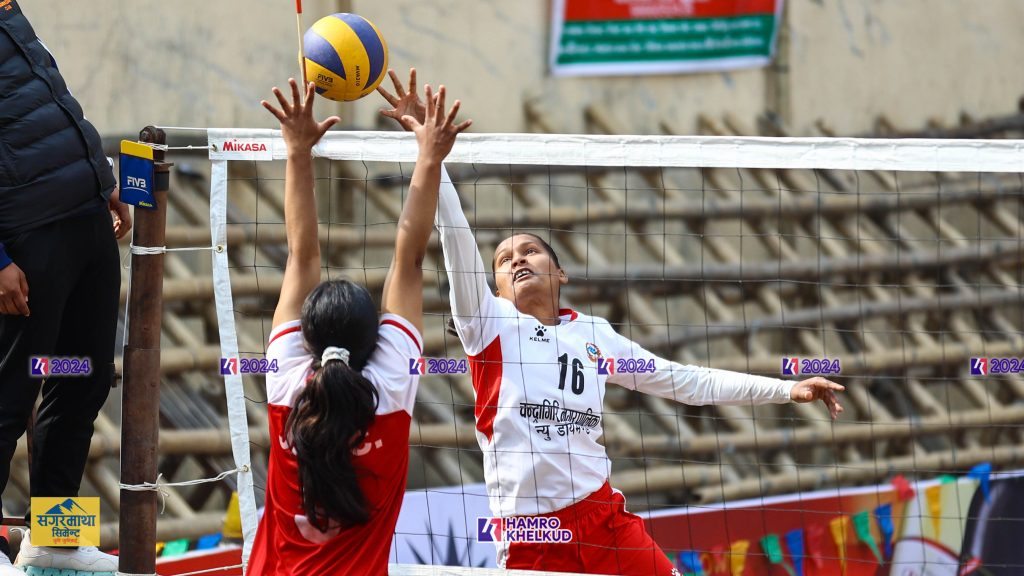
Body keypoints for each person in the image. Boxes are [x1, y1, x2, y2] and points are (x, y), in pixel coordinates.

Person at [378, 69, 845, 575]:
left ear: (560, 272)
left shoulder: (595, 337)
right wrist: (431, 155)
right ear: (494, 287)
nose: (518, 260)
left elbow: (686, 381)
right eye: (504, 260)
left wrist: (785, 389)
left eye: (531, 251)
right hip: (533, 535)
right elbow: (455, 237)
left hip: (604, 520)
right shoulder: (486, 323)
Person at [247, 78, 470, 576]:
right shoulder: (388, 386)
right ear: (376, 338)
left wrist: (297, 150)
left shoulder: (287, 383)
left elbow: (301, 256)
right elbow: (409, 259)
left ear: (306, 339)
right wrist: (429, 155)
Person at [0, 1, 131, 573]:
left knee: (82, 378)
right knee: (9, 397)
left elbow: (54, 99)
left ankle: (55, 540)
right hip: (29, 236)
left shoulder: (9, 12)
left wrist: (100, 177)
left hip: (84, 219)